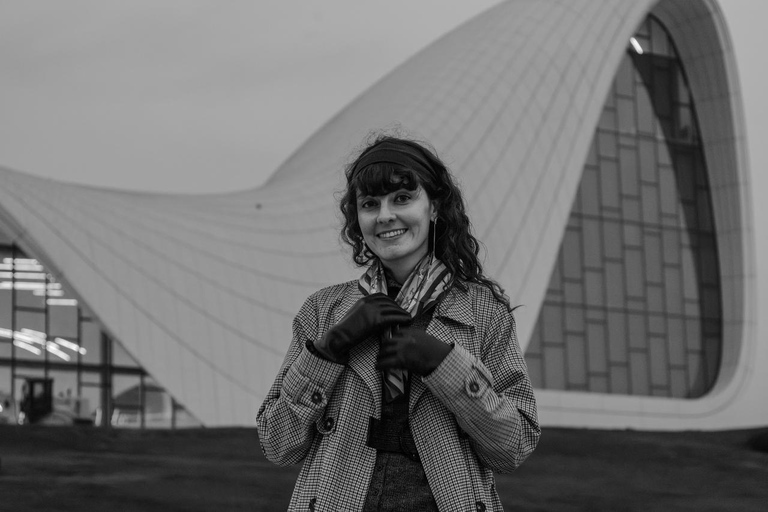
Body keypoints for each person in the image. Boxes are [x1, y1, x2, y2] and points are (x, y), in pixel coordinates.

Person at [257, 134, 540, 511]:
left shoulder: (484, 312)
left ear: (434, 207)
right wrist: (329, 350)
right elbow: (277, 445)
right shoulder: (323, 310)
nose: (385, 215)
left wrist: (445, 365)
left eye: (402, 198)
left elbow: (512, 447)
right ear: (357, 219)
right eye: (370, 204)